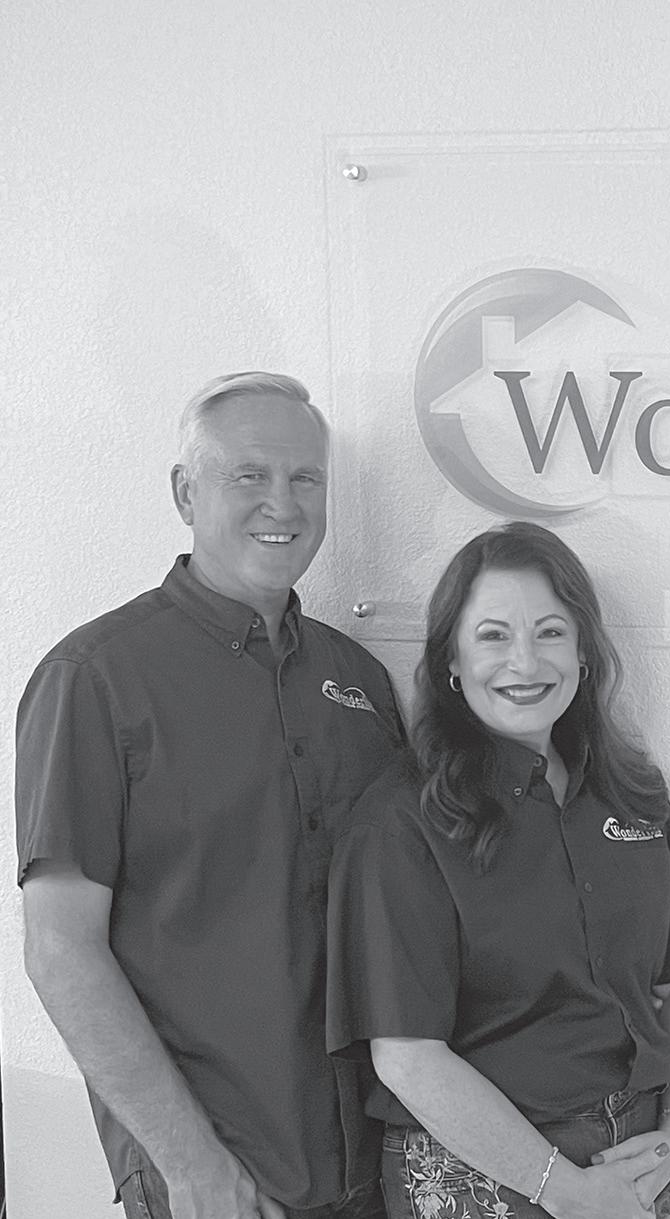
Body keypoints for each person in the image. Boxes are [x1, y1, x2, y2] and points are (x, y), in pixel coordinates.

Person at [16, 372, 406, 1219]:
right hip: (217, 1182)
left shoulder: (360, 680)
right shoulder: (95, 679)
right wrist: (192, 1166)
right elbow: (61, 949)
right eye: (249, 474)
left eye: (305, 477)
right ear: (185, 492)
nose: (283, 502)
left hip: (370, 1169)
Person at [326, 521, 670, 1219]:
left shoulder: (630, 793)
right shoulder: (400, 822)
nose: (524, 661)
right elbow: (407, 1057)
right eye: (493, 635)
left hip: (632, 1169)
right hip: (480, 1175)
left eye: (550, 632)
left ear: (583, 651)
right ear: (451, 659)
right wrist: (569, 1192)